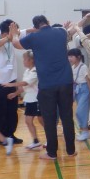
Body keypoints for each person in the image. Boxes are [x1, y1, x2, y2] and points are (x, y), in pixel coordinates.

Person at [12, 16, 76, 160]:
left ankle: (52, 153)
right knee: (67, 117)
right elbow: (71, 31)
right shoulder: (61, 31)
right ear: (47, 22)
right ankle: (71, 151)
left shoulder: (34, 37)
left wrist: (15, 34)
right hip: (66, 82)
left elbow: (16, 44)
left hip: (47, 85)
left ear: (35, 27)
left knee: (50, 119)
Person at [0, 19, 24, 145]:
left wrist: (37, 28)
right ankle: (1, 138)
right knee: (1, 111)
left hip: (11, 81)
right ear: (5, 33)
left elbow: (26, 31)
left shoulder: (13, 37)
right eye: (14, 32)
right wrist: (8, 37)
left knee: (12, 110)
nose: (16, 34)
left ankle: (11, 135)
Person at [3, 50, 44, 149]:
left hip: (37, 99)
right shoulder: (27, 71)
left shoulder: (35, 71)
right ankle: (35, 141)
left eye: (25, 59)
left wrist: (11, 84)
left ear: (31, 60)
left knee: (42, 120)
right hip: (29, 99)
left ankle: (51, 138)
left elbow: (25, 83)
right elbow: (24, 87)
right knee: (28, 121)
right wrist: (15, 94)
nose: (23, 61)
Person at [67, 48, 90, 141]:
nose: (69, 58)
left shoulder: (83, 67)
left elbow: (88, 81)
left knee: (79, 111)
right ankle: (84, 131)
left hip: (84, 90)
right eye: (68, 56)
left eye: (71, 56)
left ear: (78, 57)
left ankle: (85, 131)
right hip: (77, 91)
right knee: (81, 111)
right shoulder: (73, 67)